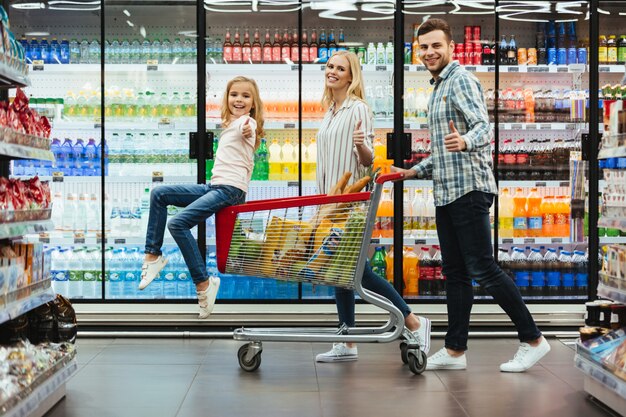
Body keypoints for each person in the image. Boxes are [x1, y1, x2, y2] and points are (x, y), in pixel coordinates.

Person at [391, 18, 550, 372]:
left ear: (450, 47)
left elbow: (482, 127)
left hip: (470, 189)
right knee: (456, 272)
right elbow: (444, 150)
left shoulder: (460, 79)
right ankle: (454, 351)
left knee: (483, 267)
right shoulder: (439, 86)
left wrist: (465, 140)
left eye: (436, 45)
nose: (430, 52)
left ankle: (533, 339)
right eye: (424, 47)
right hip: (447, 190)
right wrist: (414, 171)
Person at [314, 50, 431, 363]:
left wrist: (360, 145)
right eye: (330, 67)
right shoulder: (329, 110)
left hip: (350, 203)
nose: (333, 72)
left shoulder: (358, 109)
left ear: (351, 77)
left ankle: (412, 321)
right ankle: (348, 340)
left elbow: (367, 160)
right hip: (328, 201)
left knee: (357, 273)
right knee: (340, 272)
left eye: (340, 68)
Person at [138, 76, 265, 319]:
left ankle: (203, 283)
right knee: (159, 194)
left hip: (229, 191)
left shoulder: (246, 123)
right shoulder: (230, 125)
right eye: (234, 94)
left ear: (253, 103)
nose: (239, 99)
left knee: (177, 223)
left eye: (246, 96)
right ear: (227, 98)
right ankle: (152, 255)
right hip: (215, 187)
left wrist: (246, 125)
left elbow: (247, 127)